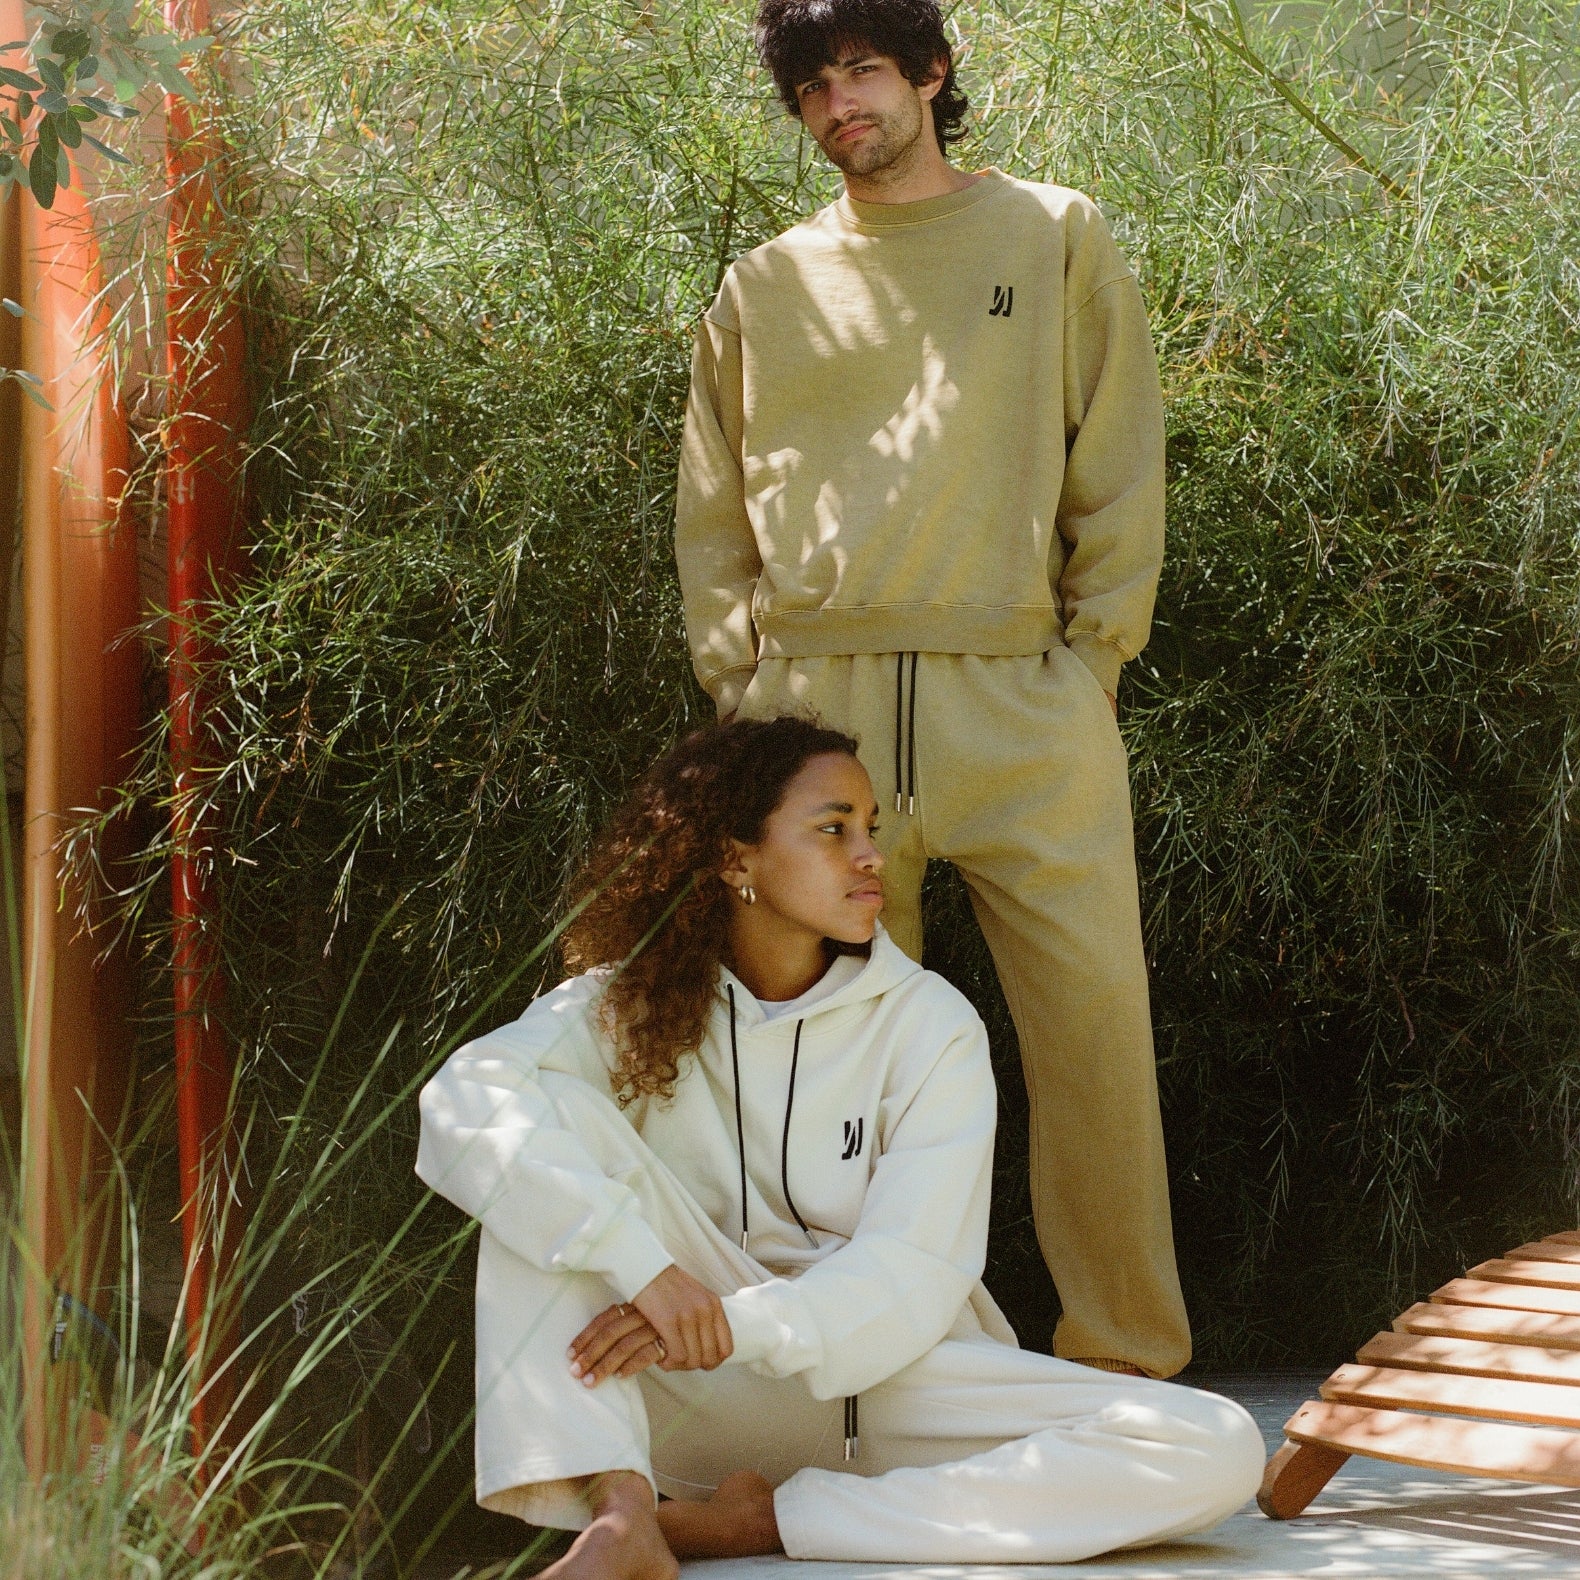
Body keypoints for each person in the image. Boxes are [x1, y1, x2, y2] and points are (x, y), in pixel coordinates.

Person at [416, 718, 1264, 1578]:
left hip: (882, 1390)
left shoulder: (929, 1024)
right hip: (684, 1389)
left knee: (1213, 1443)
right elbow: (460, 1099)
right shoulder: (624, 1005)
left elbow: (915, 1271)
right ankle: (622, 1516)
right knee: (532, 1120)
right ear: (734, 858)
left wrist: (731, 1325)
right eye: (833, 829)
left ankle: (757, 1524)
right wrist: (644, 1272)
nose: (871, 857)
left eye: (872, 829)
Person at [675, 0, 1189, 1378]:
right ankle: (871, 1383)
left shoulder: (1053, 235)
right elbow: (712, 513)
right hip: (814, 730)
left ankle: (1127, 1368)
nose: (842, 103)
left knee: (1092, 1046)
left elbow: (1119, 462)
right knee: (835, 1078)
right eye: (815, 86)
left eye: (865, 70)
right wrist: (751, 702)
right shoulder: (763, 287)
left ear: (930, 75)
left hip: (1023, 703)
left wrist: (1088, 668)